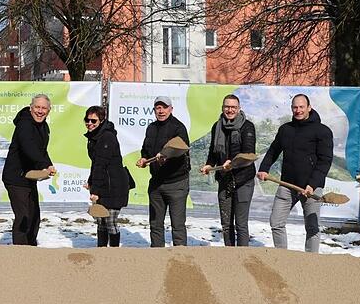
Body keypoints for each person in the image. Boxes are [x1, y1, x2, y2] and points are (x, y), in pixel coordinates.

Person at [257, 93, 334, 253]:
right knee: (276, 222)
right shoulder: (286, 129)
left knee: (312, 227)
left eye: (301, 107)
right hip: (287, 185)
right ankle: (283, 258)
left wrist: (312, 184)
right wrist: (264, 168)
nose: (298, 110)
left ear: (309, 108)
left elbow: (325, 161)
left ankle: (309, 262)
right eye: (295, 107)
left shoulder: (322, 131)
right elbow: (273, 150)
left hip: (311, 189)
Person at [201, 94, 257, 247]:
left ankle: (243, 257)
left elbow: (249, 153)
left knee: (241, 224)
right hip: (224, 180)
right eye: (227, 107)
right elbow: (213, 152)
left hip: (243, 180)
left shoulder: (247, 126)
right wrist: (208, 165)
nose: (230, 110)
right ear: (222, 108)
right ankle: (229, 256)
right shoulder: (217, 126)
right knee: (226, 224)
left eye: (233, 107)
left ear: (239, 109)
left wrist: (232, 162)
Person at [136, 95, 190, 247]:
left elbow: (182, 150)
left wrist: (168, 155)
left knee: (177, 225)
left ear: (171, 109)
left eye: (164, 107)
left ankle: (181, 260)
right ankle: (157, 259)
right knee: (155, 224)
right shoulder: (151, 128)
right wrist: (144, 159)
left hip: (176, 183)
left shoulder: (178, 128)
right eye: (157, 108)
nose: (161, 111)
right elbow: (145, 149)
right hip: (156, 184)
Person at [2, 94, 55, 246]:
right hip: (16, 178)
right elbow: (29, 147)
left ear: (49, 110)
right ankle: (20, 251)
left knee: (34, 216)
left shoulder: (43, 127)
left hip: (29, 177)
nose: (40, 111)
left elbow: (41, 150)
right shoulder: (24, 124)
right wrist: (44, 164)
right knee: (23, 216)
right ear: (31, 108)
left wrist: (48, 165)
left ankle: (31, 248)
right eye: (37, 107)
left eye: (44, 108)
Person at [84, 105, 131, 247]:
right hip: (105, 184)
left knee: (110, 222)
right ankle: (101, 251)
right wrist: (91, 182)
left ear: (102, 120)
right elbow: (96, 164)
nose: (90, 123)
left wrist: (95, 191)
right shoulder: (95, 136)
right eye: (87, 120)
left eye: (93, 121)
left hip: (114, 187)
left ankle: (114, 253)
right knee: (100, 222)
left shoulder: (106, 137)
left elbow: (101, 165)